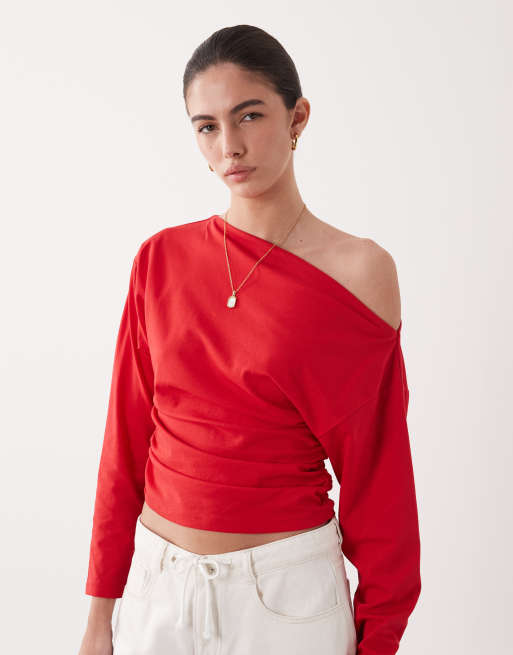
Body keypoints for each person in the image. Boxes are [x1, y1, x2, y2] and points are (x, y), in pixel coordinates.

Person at [78, 24, 421, 655]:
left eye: (250, 115)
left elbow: (380, 478)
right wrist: (100, 615)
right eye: (207, 127)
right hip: (157, 593)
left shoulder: (359, 272)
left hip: (288, 603)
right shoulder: (160, 259)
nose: (229, 146)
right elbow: (123, 444)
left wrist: (380, 639)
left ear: (298, 118)